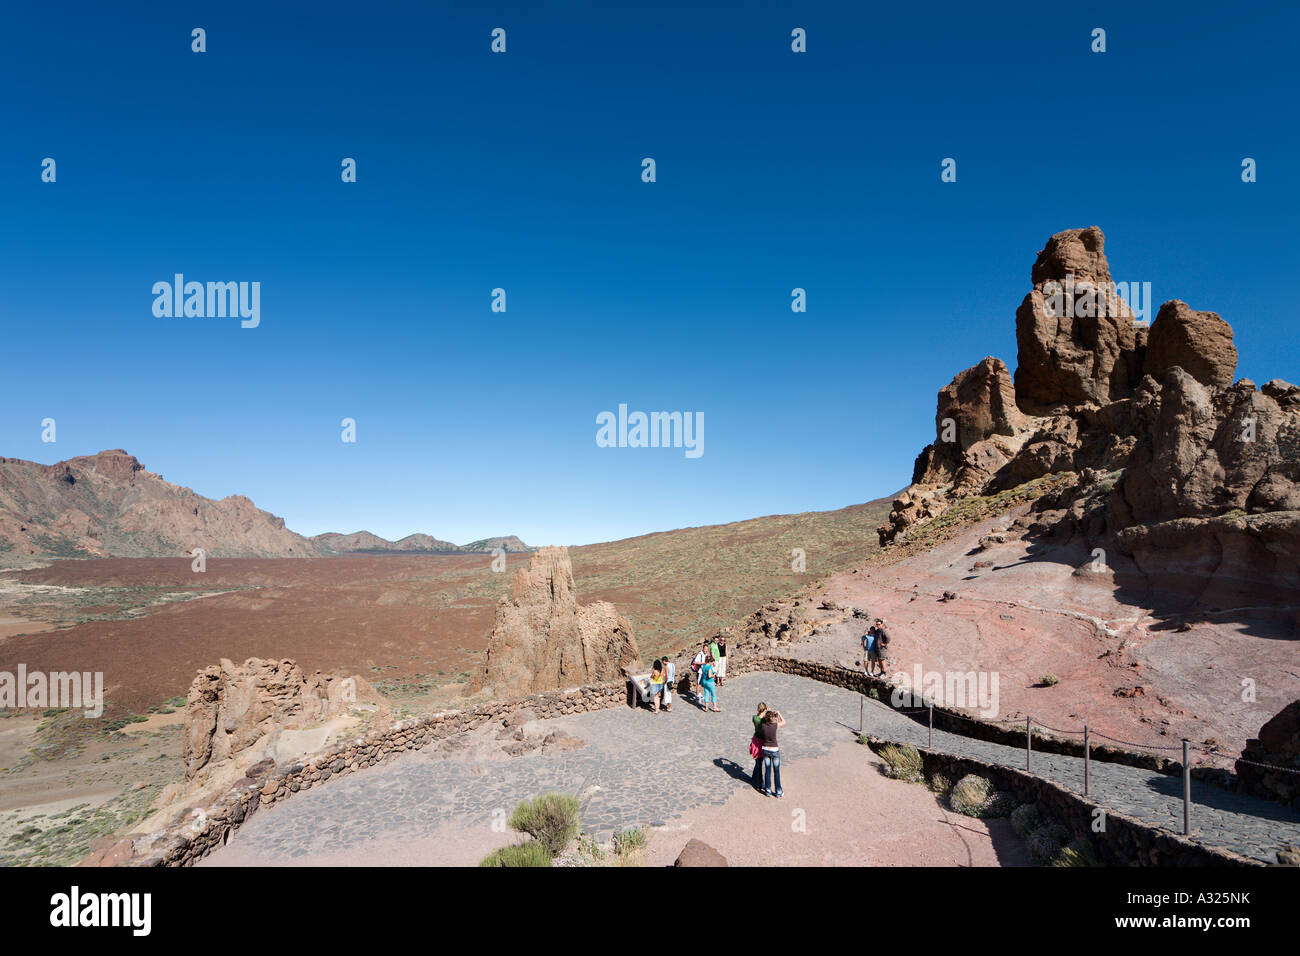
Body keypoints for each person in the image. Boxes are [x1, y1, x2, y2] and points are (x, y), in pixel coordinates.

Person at [760, 708, 785, 797]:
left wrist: (765, 711)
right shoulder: (774, 726)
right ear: (772, 718)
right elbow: (784, 722)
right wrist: (778, 713)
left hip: (766, 750)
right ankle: (778, 791)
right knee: (776, 772)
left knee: (767, 771)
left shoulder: (763, 725)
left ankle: (768, 790)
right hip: (774, 750)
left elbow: (761, 718)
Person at [750, 701, 768, 789]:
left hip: (755, 741)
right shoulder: (765, 720)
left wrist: (763, 712)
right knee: (759, 763)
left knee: (757, 761)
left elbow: (757, 716)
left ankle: (754, 776)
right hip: (762, 743)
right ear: (764, 710)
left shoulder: (755, 718)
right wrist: (766, 713)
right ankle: (760, 783)